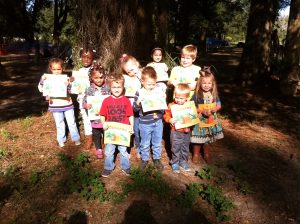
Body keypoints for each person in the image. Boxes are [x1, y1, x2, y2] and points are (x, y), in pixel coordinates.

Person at [38, 58, 81, 147]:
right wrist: (42, 80)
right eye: (54, 69)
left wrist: (69, 84)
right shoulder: (47, 78)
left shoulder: (66, 79)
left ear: (62, 68)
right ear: (51, 69)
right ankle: (61, 139)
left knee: (71, 122)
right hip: (55, 105)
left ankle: (75, 138)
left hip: (67, 104)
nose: (56, 71)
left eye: (59, 69)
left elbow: (72, 90)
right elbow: (41, 88)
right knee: (59, 123)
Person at [100, 74, 134, 177]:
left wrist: (131, 126)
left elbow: (130, 115)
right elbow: (102, 115)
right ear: (110, 87)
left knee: (123, 151)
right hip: (110, 131)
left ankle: (125, 166)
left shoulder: (126, 100)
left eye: (119, 87)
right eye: (114, 87)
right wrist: (103, 124)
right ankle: (108, 167)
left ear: (123, 87)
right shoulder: (106, 101)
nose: (116, 89)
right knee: (109, 151)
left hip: (123, 130)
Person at [133, 67, 166, 171]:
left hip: (157, 122)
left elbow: (163, 108)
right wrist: (138, 102)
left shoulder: (158, 91)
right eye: (149, 84)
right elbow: (134, 109)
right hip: (145, 123)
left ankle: (156, 158)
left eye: (153, 84)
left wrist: (162, 100)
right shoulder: (139, 92)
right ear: (142, 82)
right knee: (145, 143)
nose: (151, 87)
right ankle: (145, 159)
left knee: (157, 142)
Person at [191, 67, 224, 164]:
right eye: (204, 83)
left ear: (213, 84)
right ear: (200, 84)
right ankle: (196, 154)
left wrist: (216, 108)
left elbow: (219, 104)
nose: (206, 85)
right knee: (197, 139)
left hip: (211, 119)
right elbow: (192, 107)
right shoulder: (197, 95)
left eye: (209, 83)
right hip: (200, 120)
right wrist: (201, 110)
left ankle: (206, 154)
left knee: (208, 139)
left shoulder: (214, 94)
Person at [82, 63, 110, 159]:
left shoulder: (108, 88)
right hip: (94, 118)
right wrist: (86, 105)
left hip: (106, 118)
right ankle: (98, 148)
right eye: (96, 78)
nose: (99, 80)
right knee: (96, 133)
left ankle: (108, 146)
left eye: (101, 77)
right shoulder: (89, 89)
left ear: (105, 77)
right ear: (91, 78)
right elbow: (84, 101)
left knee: (106, 131)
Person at [163, 83, 192, 173]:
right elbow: (166, 115)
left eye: (181, 98)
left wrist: (195, 117)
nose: (178, 100)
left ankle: (183, 161)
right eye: (177, 97)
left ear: (187, 97)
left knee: (185, 147)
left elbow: (193, 117)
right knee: (175, 147)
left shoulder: (189, 106)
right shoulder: (171, 105)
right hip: (175, 131)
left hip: (187, 131)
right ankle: (175, 162)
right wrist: (169, 119)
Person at [120, 54, 142, 158]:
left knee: (137, 128)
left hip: (138, 106)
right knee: (127, 126)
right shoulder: (124, 78)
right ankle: (126, 147)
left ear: (137, 64)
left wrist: (139, 74)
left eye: (133, 69)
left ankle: (138, 147)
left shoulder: (141, 75)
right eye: (128, 71)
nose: (131, 73)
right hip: (127, 105)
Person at [76, 48, 96, 150]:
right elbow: (74, 87)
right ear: (81, 58)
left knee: (97, 117)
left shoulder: (96, 70)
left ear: (93, 59)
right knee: (86, 118)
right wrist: (72, 82)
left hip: (94, 99)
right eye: (84, 57)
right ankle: (89, 137)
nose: (86, 59)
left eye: (89, 57)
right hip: (82, 98)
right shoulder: (78, 72)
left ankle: (100, 137)